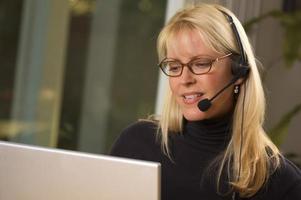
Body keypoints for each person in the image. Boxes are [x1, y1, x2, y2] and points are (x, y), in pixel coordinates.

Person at [110, 4, 301, 200]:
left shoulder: (280, 182)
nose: (185, 79)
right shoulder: (136, 144)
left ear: (239, 71)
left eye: (201, 63)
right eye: (174, 67)